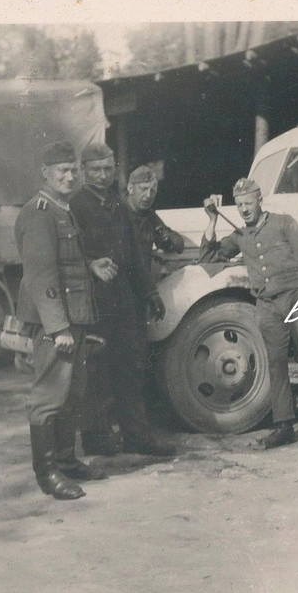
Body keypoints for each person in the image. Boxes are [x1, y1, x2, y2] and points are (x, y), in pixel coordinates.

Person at [200, 178, 298, 448]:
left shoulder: (283, 222)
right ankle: (284, 425)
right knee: (275, 364)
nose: (244, 209)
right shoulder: (240, 236)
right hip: (267, 305)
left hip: (296, 297)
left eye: (248, 203)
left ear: (259, 200)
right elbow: (209, 257)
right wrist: (212, 221)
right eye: (239, 204)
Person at [16, 141, 114, 500]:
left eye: (73, 170)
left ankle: (66, 461)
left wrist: (90, 265)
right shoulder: (40, 212)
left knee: (72, 392)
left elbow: (64, 260)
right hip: (53, 322)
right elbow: (41, 275)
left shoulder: (62, 209)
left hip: (73, 317)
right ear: (45, 173)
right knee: (48, 396)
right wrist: (57, 329)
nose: (70, 175)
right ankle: (47, 474)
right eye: (62, 170)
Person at [70, 143, 175, 458]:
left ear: (115, 169)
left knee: (131, 368)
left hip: (125, 300)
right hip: (93, 301)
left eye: (107, 169)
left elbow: (134, 259)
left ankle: (137, 436)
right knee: (96, 371)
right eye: (96, 170)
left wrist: (150, 293)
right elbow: (68, 255)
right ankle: (96, 437)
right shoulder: (75, 206)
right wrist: (90, 264)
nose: (103, 176)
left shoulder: (119, 205)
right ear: (84, 172)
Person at [125, 164, 187, 281]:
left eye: (152, 190)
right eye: (143, 189)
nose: (148, 195)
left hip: (141, 285)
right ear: (130, 188)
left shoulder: (150, 216)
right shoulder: (115, 213)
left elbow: (177, 245)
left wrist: (168, 239)